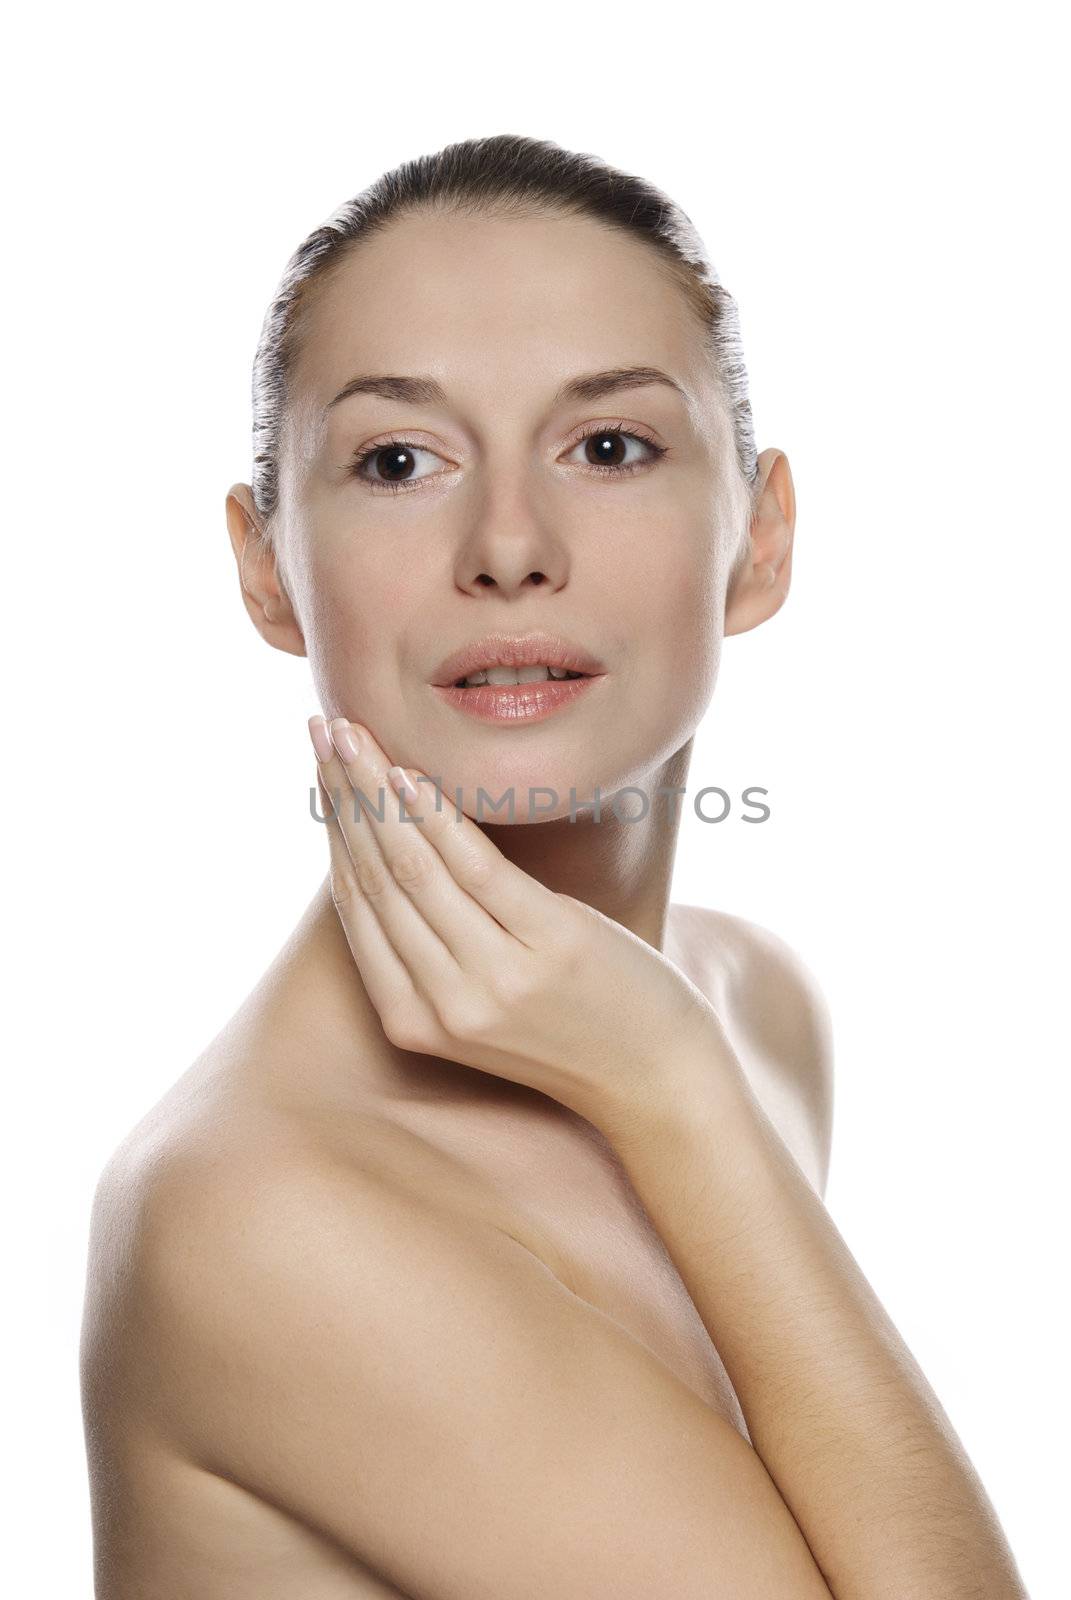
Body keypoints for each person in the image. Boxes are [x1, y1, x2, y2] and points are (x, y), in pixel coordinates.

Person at [79, 133, 1028, 1598]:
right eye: (399, 460)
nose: (509, 544)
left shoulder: (739, 995)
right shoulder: (266, 1213)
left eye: (610, 447)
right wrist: (675, 1093)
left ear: (760, 539)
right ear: (265, 567)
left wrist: (672, 1069)